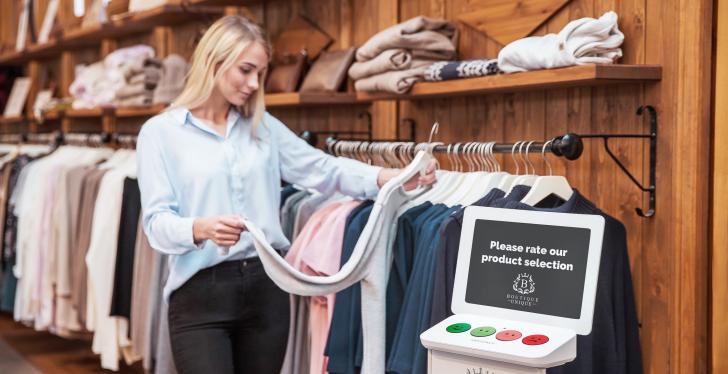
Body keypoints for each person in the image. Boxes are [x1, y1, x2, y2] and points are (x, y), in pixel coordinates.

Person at [136, 15, 437, 374]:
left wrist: (389, 176)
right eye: (245, 70)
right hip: (201, 295)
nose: (253, 84)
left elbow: (322, 169)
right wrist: (200, 228)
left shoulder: (262, 127)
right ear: (213, 61)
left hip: (268, 287)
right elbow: (156, 224)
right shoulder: (160, 133)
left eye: (260, 74)